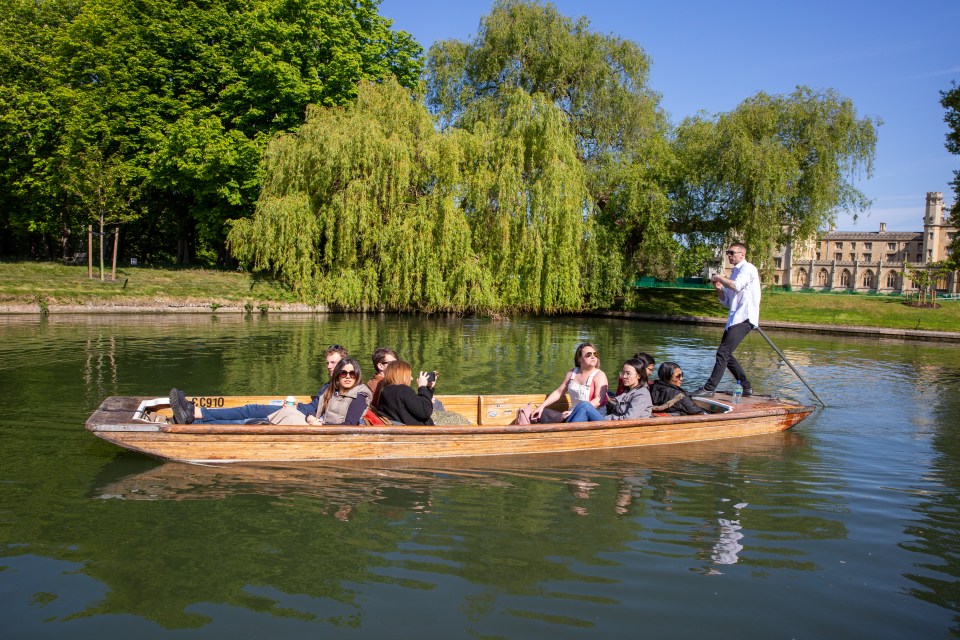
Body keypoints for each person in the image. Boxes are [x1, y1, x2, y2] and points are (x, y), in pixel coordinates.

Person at [170, 345, 349, 424]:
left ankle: (194, 415)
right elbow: (317, 406)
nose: (328, 366)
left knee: (250, 413)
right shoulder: (331, 384)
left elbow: (326, 413)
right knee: (250, 411)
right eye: (327, 363)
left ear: (343, 363)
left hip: (300, 416)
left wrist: (297, 409)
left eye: (333, 363)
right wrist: (295, 405)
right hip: (298, 410)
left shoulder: (344, 386)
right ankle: (194, 414)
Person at [691, 242, 761, 398]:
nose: (729, 255)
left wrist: (720, 278)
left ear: (742, 254)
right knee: (725, 354)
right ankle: (746, 387)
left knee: (723, 353)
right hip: (735, 318)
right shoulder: (735, 273)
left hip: (745, 317)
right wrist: (718, 287)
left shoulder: (748, 269)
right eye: (727, 253)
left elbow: (736, 286)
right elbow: (727, 301)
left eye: (732, 252)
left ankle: (709, 388)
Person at [531, 343, 609, 423]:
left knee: (584, 405)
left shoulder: (600, 375)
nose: (593, 357)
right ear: (579, 359)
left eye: (595, 354)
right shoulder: (572, 373)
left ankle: (565, 431)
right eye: (588, 354)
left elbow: (598, 400)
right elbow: (559, 392)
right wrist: (542, 406)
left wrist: (575, 412)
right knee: (543, 413)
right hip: (573, 414)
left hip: (594, 416)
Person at [565, 358, 652, 422]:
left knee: (585, 406)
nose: (624, 376)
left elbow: (628, 419)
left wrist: (606, 417)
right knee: (584, 405)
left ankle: (566, 434)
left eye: (628, 373)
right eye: (623, 373)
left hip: (620, 428)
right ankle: (566, 430)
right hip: (613, 423)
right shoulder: (628, 390)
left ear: (639, 376)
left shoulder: (642, 394)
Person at [303, 358, 371, 425]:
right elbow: (319, 411)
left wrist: (322, 426)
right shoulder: (331, 391)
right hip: (319, 425)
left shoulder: (360, 397)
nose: (348, 377)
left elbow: (349, 425)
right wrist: (309, 416)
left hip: (336, 434)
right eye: (343, 373)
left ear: (357, 376)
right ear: (337, 375)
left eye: (352, 373)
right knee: (292, 413)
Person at [377, 360, 437, 426]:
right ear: (402, 375)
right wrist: (422, 387)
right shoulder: (403, 390)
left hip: (403, 430)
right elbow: (425, 412)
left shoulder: (385, 390)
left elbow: (418, 405)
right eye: (409, 375)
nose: (411, 378)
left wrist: (428, 388)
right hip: (419, 432)